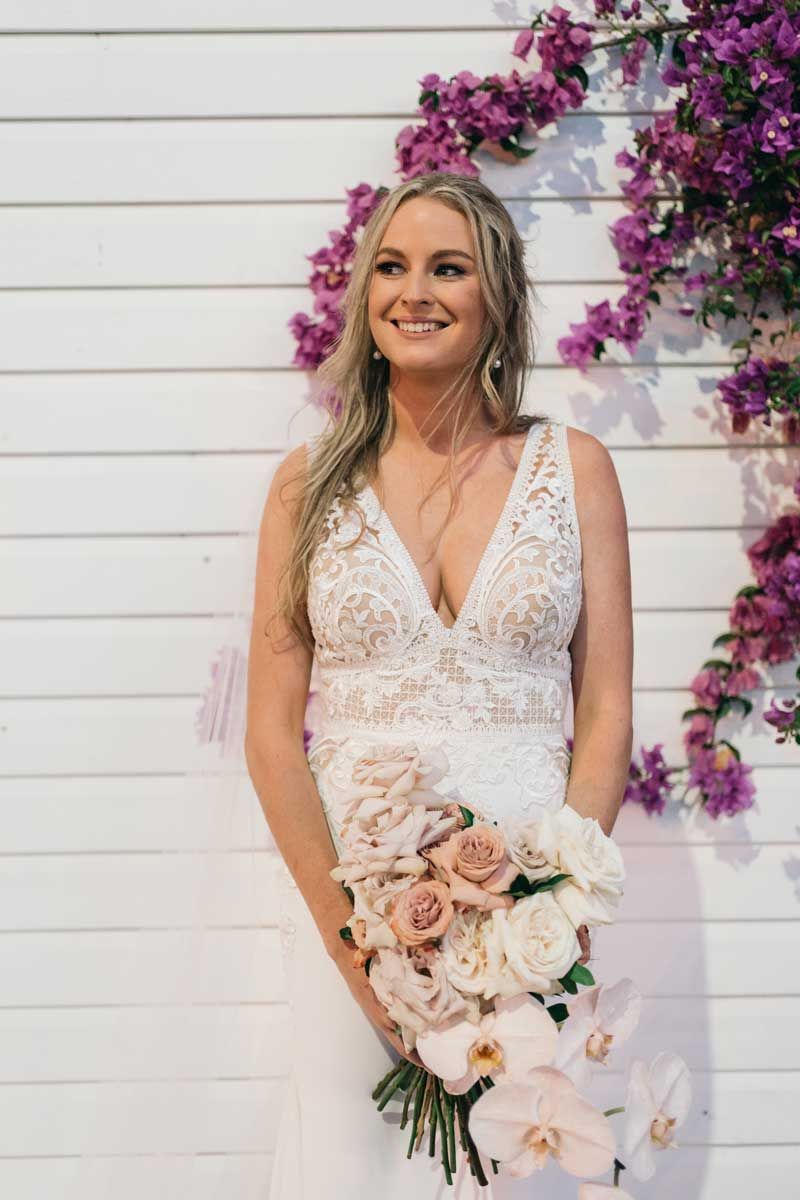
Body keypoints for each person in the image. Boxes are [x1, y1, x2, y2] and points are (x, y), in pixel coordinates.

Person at [244, 171, 633, 1198]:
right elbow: (271, 735)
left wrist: (557, 903)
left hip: (523, 905)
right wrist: (354, 951)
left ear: (495, 299)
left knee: (500, 1170)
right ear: (365, 303)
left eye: (447, 267)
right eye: (392, 266)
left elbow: (602, 710)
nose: (414, 291)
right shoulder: (304, 485)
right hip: (349, 898)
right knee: (345, 1158)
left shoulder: (575, 469)